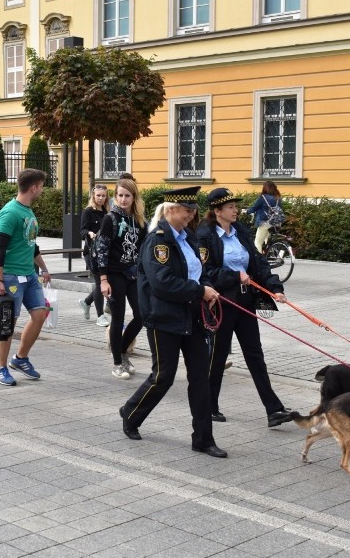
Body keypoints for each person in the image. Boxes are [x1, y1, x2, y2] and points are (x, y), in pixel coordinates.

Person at [119, 186, 226, 458]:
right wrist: (200, 291)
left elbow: (198, 272)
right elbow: (162, 283)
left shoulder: (188, 238)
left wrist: (207, 289)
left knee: (200, 377)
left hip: (192, 317)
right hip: (163, 317)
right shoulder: (158, 241)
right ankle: (131, 413)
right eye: (186, 210)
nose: (191, 215)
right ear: (170, 210)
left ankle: (202, 438)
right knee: (163, 376)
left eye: (193, 211)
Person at [197, 187, 293, 428]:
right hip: (223, 303)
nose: (235, 209)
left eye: (235, 206)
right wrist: (234, 276)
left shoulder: (240, 230)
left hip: (246, 301)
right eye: (230, 207)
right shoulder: (205, 235)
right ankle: (209, 407)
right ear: (217, 211)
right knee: (217, 357)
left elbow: (258, 262)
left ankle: (274, 410)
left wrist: (275, 287)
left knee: (255, 356)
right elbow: (205, 273)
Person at [0, 168, 51, 387]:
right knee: (8, 324)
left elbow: (31, 244)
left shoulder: (28, 211)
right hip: (11, 277)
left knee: (40, 315)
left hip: (30, 275)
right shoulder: (10, 212)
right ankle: (0, 368)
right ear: (33, 187)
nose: (42, 191)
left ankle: (21, 358)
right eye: (42, 187)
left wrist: (43, 269)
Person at [95, 177, 146, 379]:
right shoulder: (111, 218)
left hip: (132, 274)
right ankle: (117, 362)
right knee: (118, 318)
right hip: (114, 274)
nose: (123, 199)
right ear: (115, 197)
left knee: (142, 314)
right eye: (120, 195)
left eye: (127, 196)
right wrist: (103, 280)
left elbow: (142, 248)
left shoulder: (139, 220)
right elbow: (102, 250)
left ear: (134, 198)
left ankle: (123, 351)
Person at [79, 184, 110, 328]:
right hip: (92, 252)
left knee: (103, 282)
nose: (101, 198)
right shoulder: (88, 211)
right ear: (93, 196)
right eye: (98, 195)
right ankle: (100, 316)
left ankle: (86, 302)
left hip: (106, 252)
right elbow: (82, 230)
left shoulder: (107, 211)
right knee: (99, 282)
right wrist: (89, 233)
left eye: (103, 196)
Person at [243, 180, 282, 253]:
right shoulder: (278, 198)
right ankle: (271, 255)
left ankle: (260, 262)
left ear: (265, 188)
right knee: (267, 240)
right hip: (276, 222)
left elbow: (254, 208)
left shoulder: (263, 198)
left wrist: (246, 211)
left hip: (265, 222)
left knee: (257, 242)